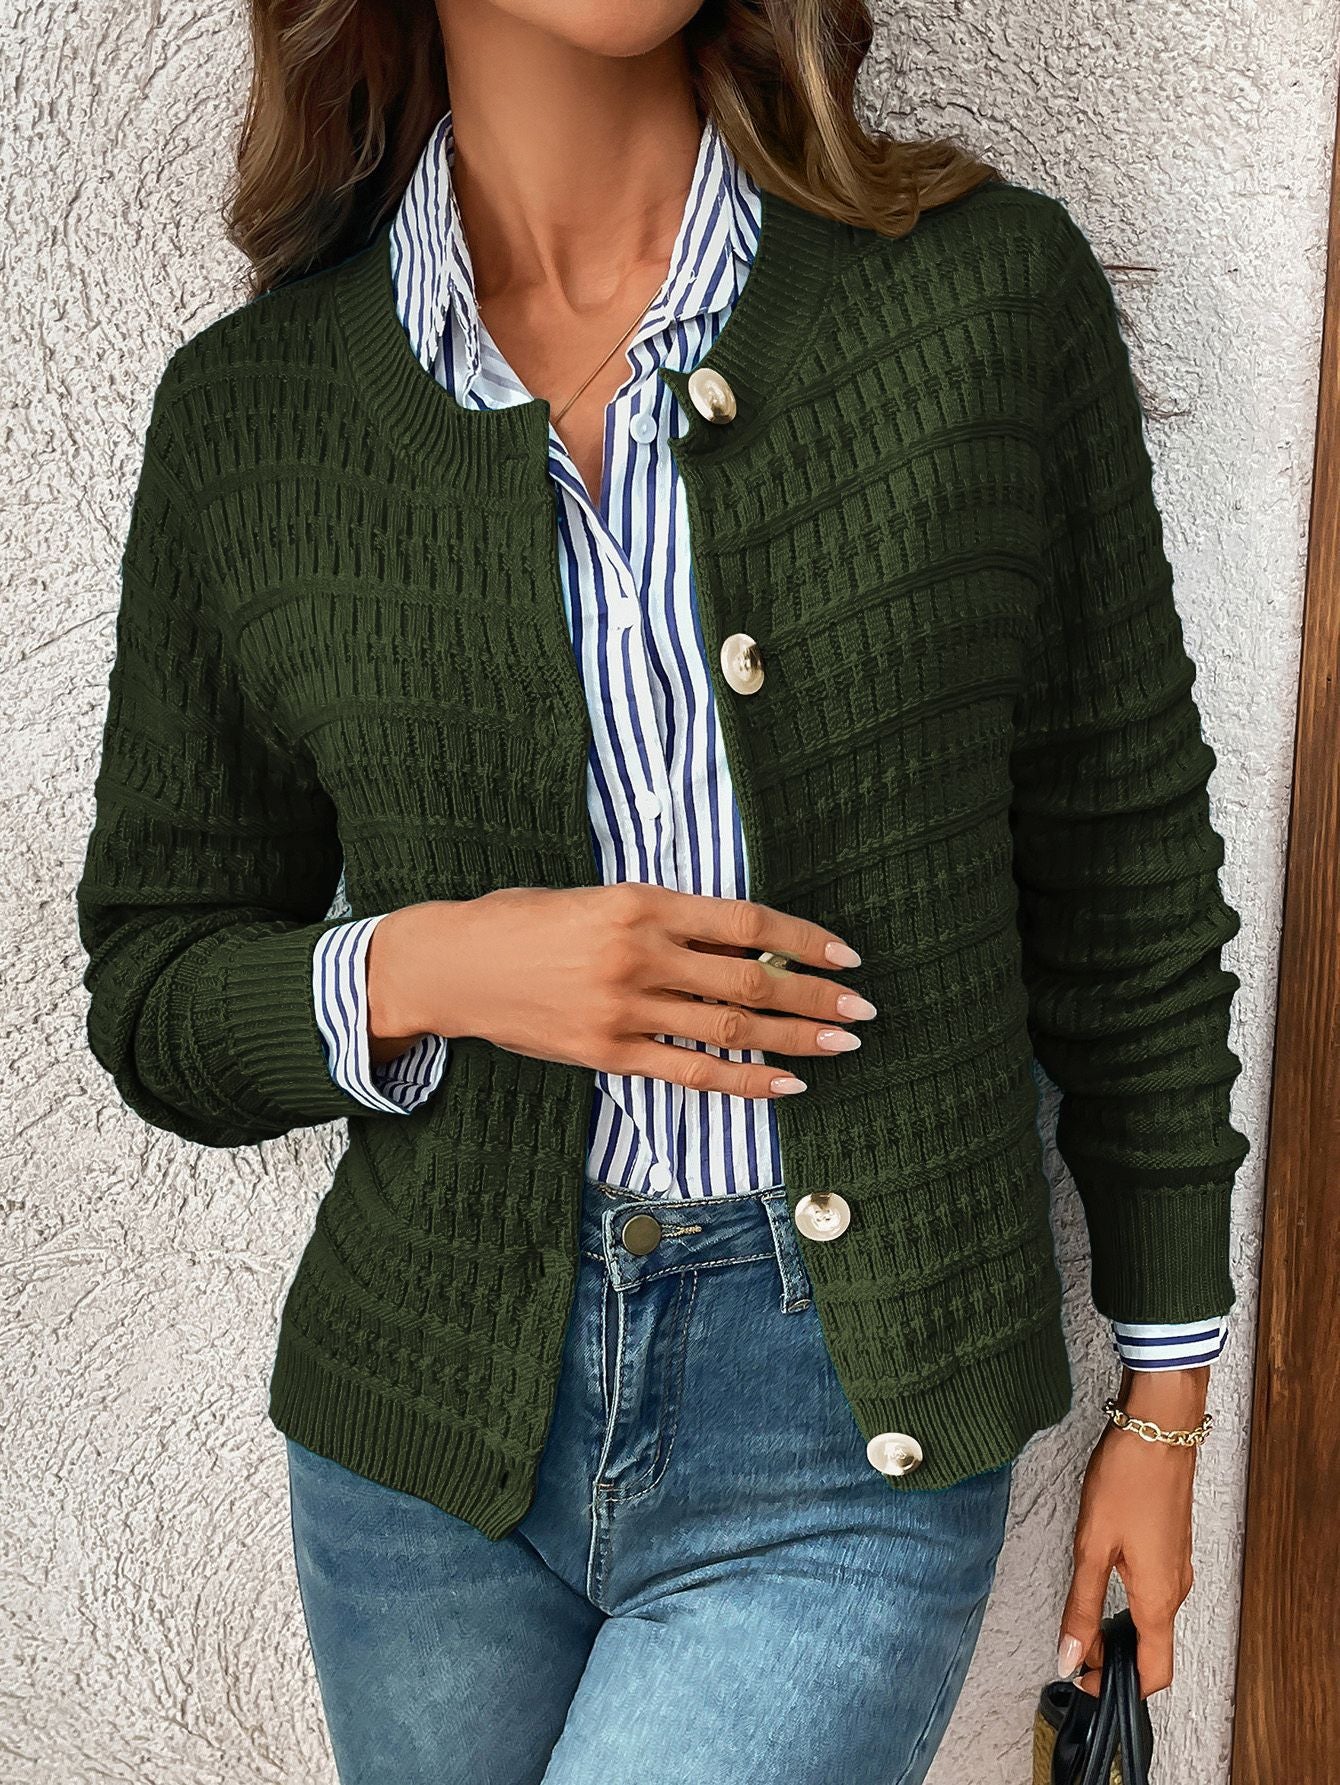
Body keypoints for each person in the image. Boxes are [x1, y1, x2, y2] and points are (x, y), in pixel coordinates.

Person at [74, 2, 1250, 1780]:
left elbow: (1127, 876)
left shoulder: (983, 298)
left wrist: (1165, 1408)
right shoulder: (256, 415)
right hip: (420, 1449)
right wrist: (439, 966)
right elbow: (155, 986)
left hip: (841, 1423)